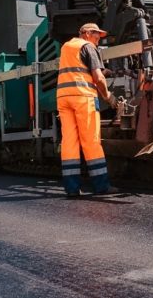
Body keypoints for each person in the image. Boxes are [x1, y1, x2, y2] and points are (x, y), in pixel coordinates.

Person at [57, 23, 118, 198]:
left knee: (69, 142)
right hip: (83, 97)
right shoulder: (88, 47)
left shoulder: (67, 46)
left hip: (63, 98)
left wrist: (99, 69)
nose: (98, 39)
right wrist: (109, 97)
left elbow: (77, 69)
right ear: (86, 33)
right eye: (96, 35)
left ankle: (72, 188)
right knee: (91, 141)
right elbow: (97, 78)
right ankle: (101, 186)